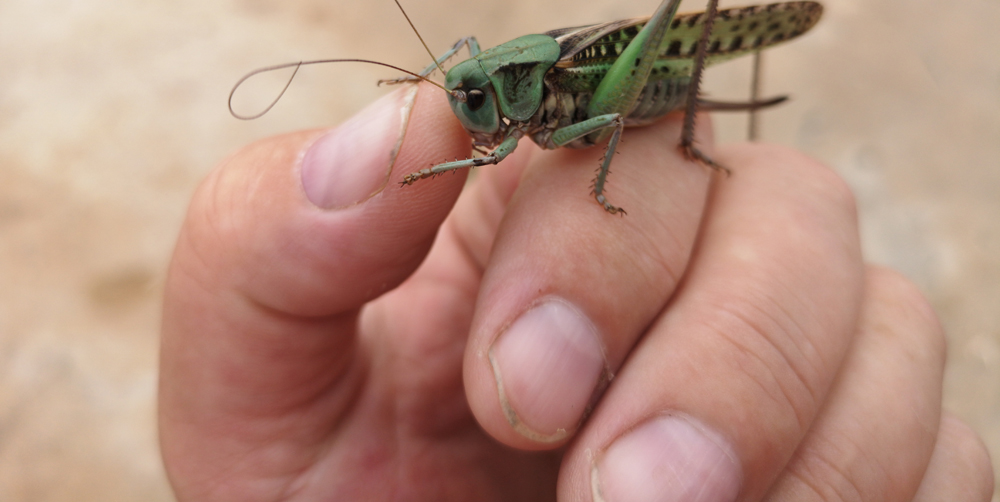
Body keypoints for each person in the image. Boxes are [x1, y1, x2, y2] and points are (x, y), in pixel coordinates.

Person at [158, 83, 993, 501]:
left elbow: (552, 135)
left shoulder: (545, 101)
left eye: (483, 100)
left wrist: (602, 184)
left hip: (634, 84)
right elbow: (485, 147)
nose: (477, 115)